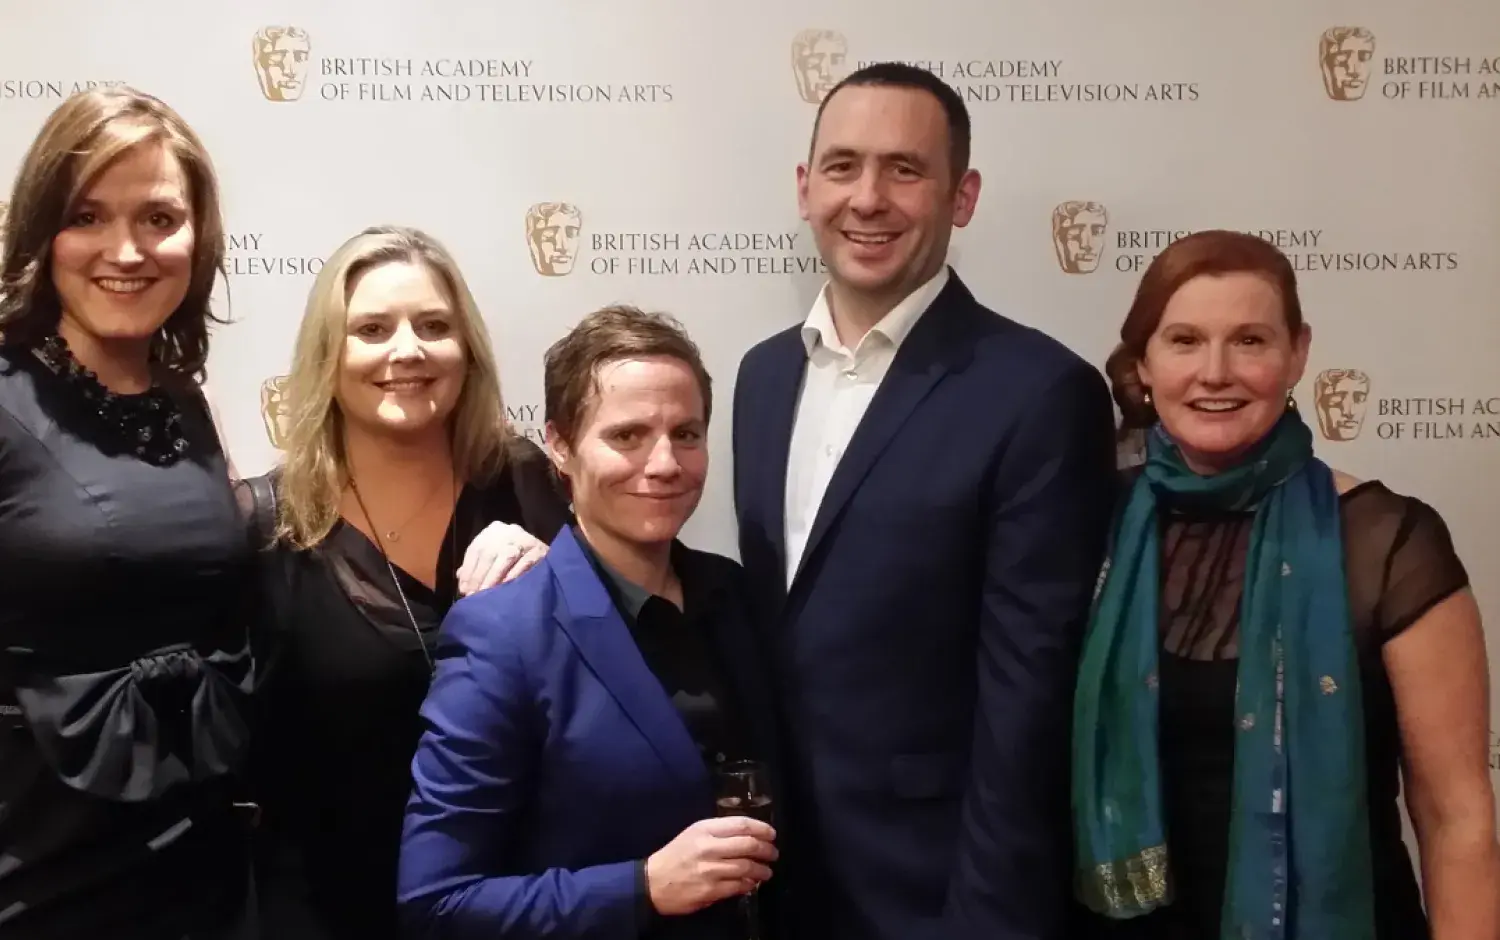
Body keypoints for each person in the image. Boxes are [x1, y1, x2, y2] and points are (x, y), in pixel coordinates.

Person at [731, 62, 1118, 939]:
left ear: (963, 195)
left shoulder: (1037, 392)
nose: (868, 198)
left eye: (905, 169)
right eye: (842, 166)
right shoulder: (760, 377)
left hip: (939, 893)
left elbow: (1028, 698)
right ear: (804, 188)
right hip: (778, 885)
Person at [1072, 230, 1500, 939]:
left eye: (1249, 341)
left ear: (1297, 354)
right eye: (1184, 341)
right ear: (1144, 363)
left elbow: (1458, 819)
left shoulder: (1388, 544)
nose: (1216, 372)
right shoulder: (1085, 525)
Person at [398, 305, 782, 939]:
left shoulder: (737, 595)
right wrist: (643, 887)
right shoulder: (504, 634)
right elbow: (438, 903)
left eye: (686, 433)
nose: (665, 463)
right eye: (627, 436)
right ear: (559, 445)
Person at [238, 225, 573, 940]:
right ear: (329, 357)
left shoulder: (528, 485)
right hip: (333, 912)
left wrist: (560, 582)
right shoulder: (267, 529)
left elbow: (605, 684)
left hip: (526, 902)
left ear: (467, 351)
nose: (407, 350)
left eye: (432, 326)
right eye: (371, 328)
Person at [0, 87, 256, 938]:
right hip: (38, 882)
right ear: (43, 231)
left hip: (200, 876)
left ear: (198, 236)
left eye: (158, 218)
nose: (127, 251)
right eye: (88, 216)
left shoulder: (192, 404)